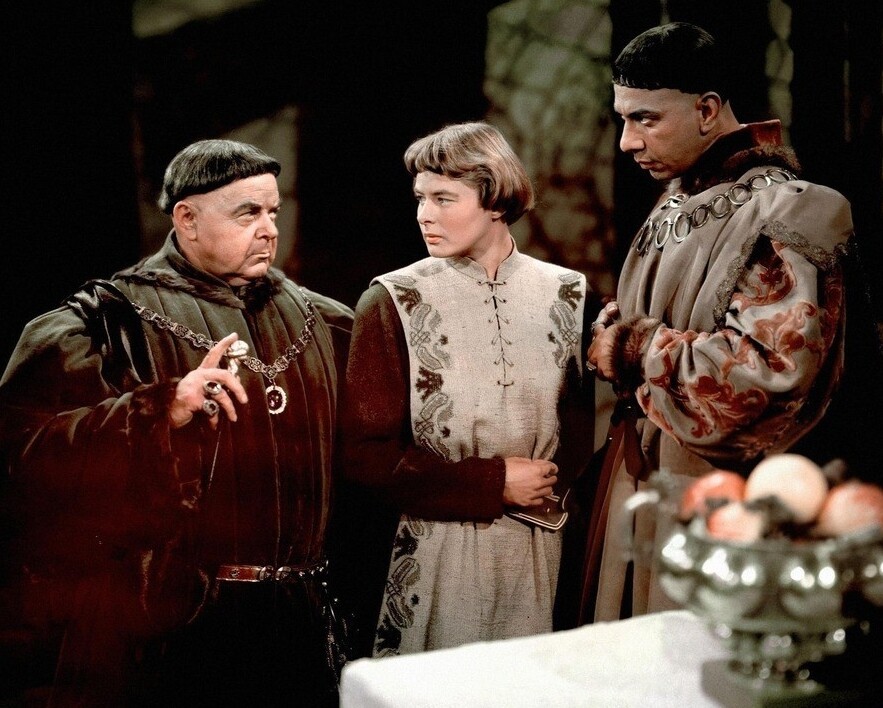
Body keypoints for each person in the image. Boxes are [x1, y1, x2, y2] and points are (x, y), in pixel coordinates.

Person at [0, 139, 353, 706]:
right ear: (186, 219)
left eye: (272, 211)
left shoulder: (325, 320)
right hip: (165, 642)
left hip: (301, 635)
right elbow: (24, 459)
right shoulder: (105, 323)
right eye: (247, 213)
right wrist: (158, 409)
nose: (268, 230)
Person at [579, 22, 869, 624]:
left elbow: (764, 374)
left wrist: (631, 348)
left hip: (721, 503)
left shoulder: (795, 210)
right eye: (623, 119)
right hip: (643, 482)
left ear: (708, 110)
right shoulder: (673, 201)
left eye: (646, 119)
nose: (628, 142)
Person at [335, 121, 595, 658]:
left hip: (540, 552)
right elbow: (365, 459)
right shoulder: (392, 301)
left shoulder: (568, 294)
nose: (423, 215)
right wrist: (492, 482)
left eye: (443, 198)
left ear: (495, 200)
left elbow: (575, 441)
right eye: (420, 198)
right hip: (435, 554)